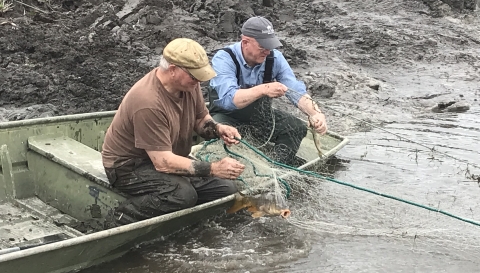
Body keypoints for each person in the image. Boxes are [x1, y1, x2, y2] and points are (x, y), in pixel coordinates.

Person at [102, 38, 246, 225]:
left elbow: (200, 119)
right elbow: (163, 163)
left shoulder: (188, 85)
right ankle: (119, 219)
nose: (199, 81)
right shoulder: (148, 102)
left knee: (225, 189)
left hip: (166, 156)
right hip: (129, 167)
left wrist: (218, 129)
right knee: (183, 195)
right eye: (194, 76)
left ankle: (183, 222)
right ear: (172, 70)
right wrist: (214, 168)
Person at [208, 16, 328, 165]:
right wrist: (264, 89)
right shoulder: (224, 59)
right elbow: (229, 99)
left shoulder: (275, 58)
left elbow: (295, 90)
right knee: (219, 132)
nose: (267, 51)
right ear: (245, 42)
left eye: (270, 46)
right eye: (262, 47)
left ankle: (274, 166)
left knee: (296, 128)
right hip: (226, 116)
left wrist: (315, 113)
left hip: (260, 118)